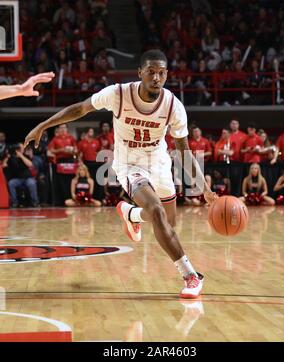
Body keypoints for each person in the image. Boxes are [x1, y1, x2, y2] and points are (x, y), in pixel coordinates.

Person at [24, 49, 217, 299]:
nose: (156, 78)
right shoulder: (118, 94)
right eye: (151, 72)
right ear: (140, 73)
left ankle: (132, 214)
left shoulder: (173, 106)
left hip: (158, 162)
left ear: (166, 74)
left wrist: (205, 189)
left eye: (161, 73)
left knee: (169, 224)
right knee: (156, 212)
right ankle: (191, 275)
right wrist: (42, 125)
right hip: (129, 163)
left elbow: (185, 152)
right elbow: (80, 109)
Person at [6, 143, 39, 207]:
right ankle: (14, 202)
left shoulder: (26, 156)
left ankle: (35, 202)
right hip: (17, 179)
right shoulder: (12, 158)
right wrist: (8, 156)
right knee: (11, 183)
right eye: (22, 147)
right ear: (17, 150)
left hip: (27, 178)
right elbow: (6, 165)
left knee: (32, 183)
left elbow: (30, 164)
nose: (24, 148)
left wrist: (21, 156)